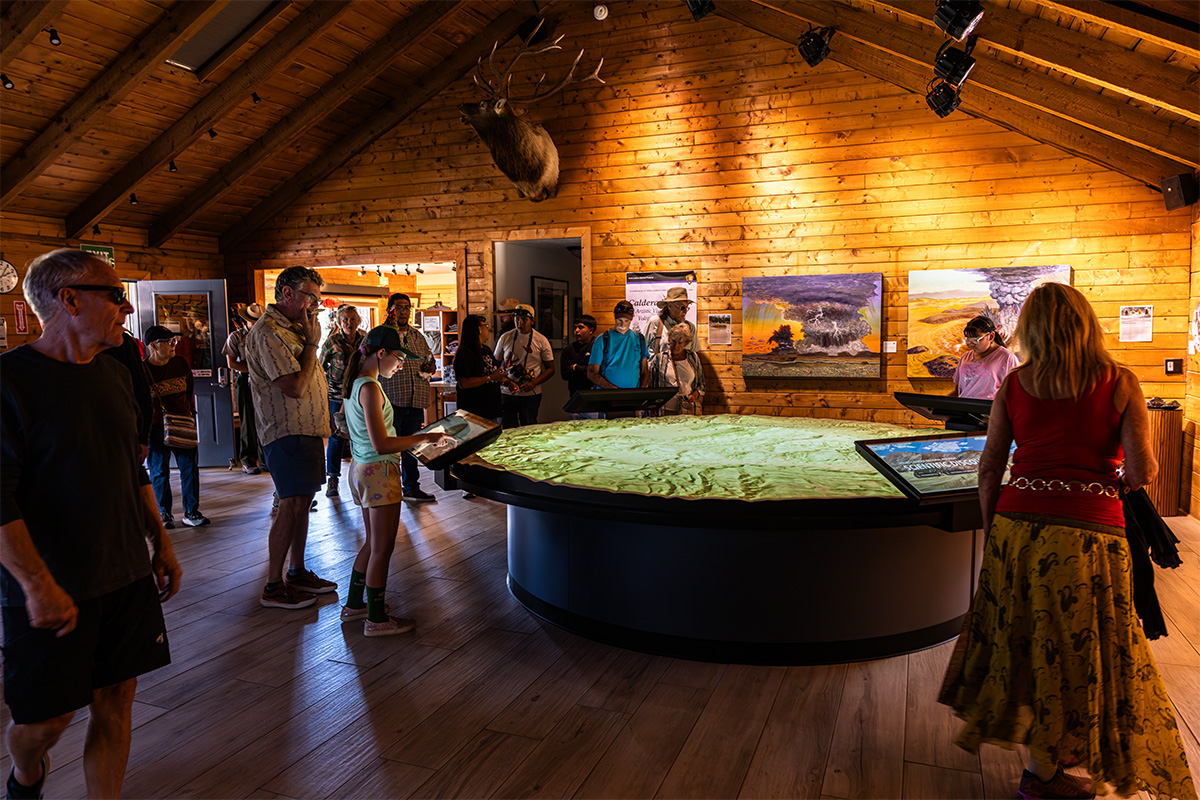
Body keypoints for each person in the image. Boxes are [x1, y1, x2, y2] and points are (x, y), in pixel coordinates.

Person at [938, 283, 1196, 800]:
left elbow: (990, 468)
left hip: (1017, 525)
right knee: (1085, 642)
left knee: (1030, 641)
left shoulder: (1014, 384)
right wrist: (1100, 482)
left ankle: (1051, 755)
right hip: (1089, 533)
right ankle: (1046, 772)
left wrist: (998, 532)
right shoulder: (1119, 381)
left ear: (1029, 330)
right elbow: (1144, 470)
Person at [1, 248, 181, 800]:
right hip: (53, 585)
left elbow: (132, 468)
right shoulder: (10, 383)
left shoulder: (115, 375)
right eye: (116, 295)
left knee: (116, 699)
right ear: (69, 299)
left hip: (125, 573)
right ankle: (25, 774)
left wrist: (160, 540)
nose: (127, 309)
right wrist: (38, 587)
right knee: (45, 723)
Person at [338, 326, 450, 636]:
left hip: (361, 471)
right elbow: (382, 444)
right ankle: (376, 619)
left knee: (372, 543)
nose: (401, 365)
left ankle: (354, 605)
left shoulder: (356, 383)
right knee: (383, 547)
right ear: (381, 353)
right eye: (399, 358)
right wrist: (425, 436)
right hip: (378, 472)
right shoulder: (371, 388)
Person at [244, 266, 337, 610]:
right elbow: (294, 387)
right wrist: (313, 343)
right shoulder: (268, 332)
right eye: (310, 296)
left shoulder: (294, 329)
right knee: (290, 504)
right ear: (287, 294)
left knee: (302, 504)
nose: (315, 303)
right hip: (286, 430)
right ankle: (273, 584)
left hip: (308, 429)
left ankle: (296, 571)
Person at [144, 325, 210, 528]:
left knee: (189, 469)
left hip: (182, 424)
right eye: (169, 342)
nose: (174, 345)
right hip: (155, 429)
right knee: (159, 472)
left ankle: (191, 512)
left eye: (175, 341)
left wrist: (191, 415)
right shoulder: (142, 370)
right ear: (154, 345)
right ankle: (164, 513)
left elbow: (190, 391)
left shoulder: (181, 363)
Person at [376, 293, 439, 503]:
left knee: (413, 446)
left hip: (416, 400)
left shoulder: (417, 336)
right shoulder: (382, 335)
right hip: (391, 400)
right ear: (389, 310)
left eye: (407, 307)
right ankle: (388, 487)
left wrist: (431, 366)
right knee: (390, 448)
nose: (403, 311)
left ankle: (411, 487)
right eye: (398, 307)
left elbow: (429, 359)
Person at [318, 305, 363, 497]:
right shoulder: (332, 341)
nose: (349, 323)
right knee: (337, 436)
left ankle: (359, 477)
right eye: (345, 319)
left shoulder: (365, 340)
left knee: (358, 435)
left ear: (358, 321)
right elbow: (320, 366)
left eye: (352, 319)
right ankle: (333, 480)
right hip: (336, 394)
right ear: (339, 322)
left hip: (360, 393)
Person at [494, 303, 555, 427]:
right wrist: (506, 382)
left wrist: (533, 383)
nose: (520, 323)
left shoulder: (541, 340)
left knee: (529, 427)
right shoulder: (505, 337)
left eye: (524, 320)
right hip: (507, 392)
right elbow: (495, 366)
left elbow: (551, 369)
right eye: (517, 319)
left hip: (531, 394)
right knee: (508, 428)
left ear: (532, 321)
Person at [223, 303, 265, 474]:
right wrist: (253, 369)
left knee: (264, 420)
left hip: (264, 381)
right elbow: (231, 362)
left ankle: (264, 459)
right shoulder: (236, 337)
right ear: (246, 321)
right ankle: (248, 460)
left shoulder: (266, 336)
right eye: (253, 321)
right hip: (245, 378)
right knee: (247, 421)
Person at [100, 331, 154, 461]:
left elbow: (141, 390)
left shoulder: (123, 342)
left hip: (122, 436)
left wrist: (143, 437)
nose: (129, 310)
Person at [950, 314, 1020, 400]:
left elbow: (1016, 392)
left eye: (976, 340)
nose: (970, 344)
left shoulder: (1007, 357)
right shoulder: (965, 357)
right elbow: (958, 391)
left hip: (988, 410)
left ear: (991, 336)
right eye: (968, 339)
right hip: (964, 408)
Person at [452, 314, 505, 423]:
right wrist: (489, 377)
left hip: (492, 408)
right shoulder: (465, 353)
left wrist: (506, 381)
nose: (488, 329)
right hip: (474, 412)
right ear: (478, 329)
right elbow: (464, 383)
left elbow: (493, 373)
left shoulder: (486, 349)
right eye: (485, 325)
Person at [588, 300, 647, 390]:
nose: (623, 324)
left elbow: (645, 371)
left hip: (632, 397)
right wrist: (614, 391)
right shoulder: (603, 339)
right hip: (608, 396)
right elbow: (592, 373)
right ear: (614, 316)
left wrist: (640, 392)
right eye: (619, 320)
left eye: (626, 321)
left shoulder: (639, 339)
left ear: (632, 318)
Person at [648, 323, 705, 415]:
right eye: (673, 341)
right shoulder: (659, 359)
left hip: (688, 409)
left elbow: (701, 384)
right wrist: (652, 410)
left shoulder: (693, 358)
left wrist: (693, 396)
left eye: (680, 343)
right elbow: (651, 386)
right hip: (665, 410)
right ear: (669, 340)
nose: (676, 346)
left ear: (685, 343)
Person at [643, 286, 696, 362]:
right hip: (658, 372)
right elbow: (641, 350)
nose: (685, 311)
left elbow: (694, 354)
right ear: (670, 306)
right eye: (682, 307)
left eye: (686, 307)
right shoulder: (655, 322)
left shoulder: (690, 327)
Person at [561, 314, 598, 419]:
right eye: (575, 327)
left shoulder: (597, 346)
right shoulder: (569, 349)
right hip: (575, 398)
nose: (576, 330)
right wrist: (586, 371)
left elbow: (597, 372)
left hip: (594, 398)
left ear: (591, 330)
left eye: (581, 327)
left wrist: (577, 368)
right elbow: (565, 374)